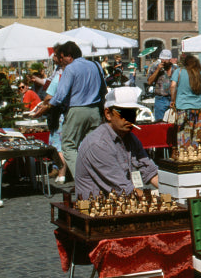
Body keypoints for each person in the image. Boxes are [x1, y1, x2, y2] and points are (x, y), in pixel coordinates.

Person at [33, 41, 106, 179]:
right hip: (95, 110)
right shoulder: (96, 65)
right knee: (91, 146)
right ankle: (96, 177)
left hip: (77, 110)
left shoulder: (70, 69)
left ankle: (82, 179)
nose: (60, 61)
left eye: (61, 58)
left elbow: (60, 95)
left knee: (68, 145)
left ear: (69, 56)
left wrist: (47, 106)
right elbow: (103, 88)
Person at [75, 87, 159, 199]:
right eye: (124, 113)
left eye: (133, 113)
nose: (130, 119)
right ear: (108, 114)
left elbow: (150, 172)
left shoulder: (131, 138)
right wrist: (156, 198)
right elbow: (123, 189)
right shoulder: (98, 144)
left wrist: (171, 189)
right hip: (97, 209)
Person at [33, 46, 67, 184]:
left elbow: (50, 95)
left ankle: (62, 172)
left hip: (57, 112)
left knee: (58, 145)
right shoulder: (62, 72)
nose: (53, 58)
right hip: (64, 111)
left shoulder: (60, 75)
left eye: (55, 55)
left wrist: (45, 104)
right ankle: (59, 170)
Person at [169, 53, 201, 148]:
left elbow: (173, 86)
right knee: (197, 133)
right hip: (198, 107)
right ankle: (196, 154)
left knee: (183, 133)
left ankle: (184, 154)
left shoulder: (178, 71)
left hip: (182, 106)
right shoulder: (199, 73)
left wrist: (173, 99)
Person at [147, 49, 174, 122]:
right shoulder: (155, 66)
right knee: (159, 121)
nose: (164, 61)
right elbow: (149, 82)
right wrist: (158, 70)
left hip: (173, 99)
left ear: (170, 59)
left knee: (172, 121)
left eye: (166, 59)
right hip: (161, 98)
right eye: (162, 59)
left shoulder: (175, 69)